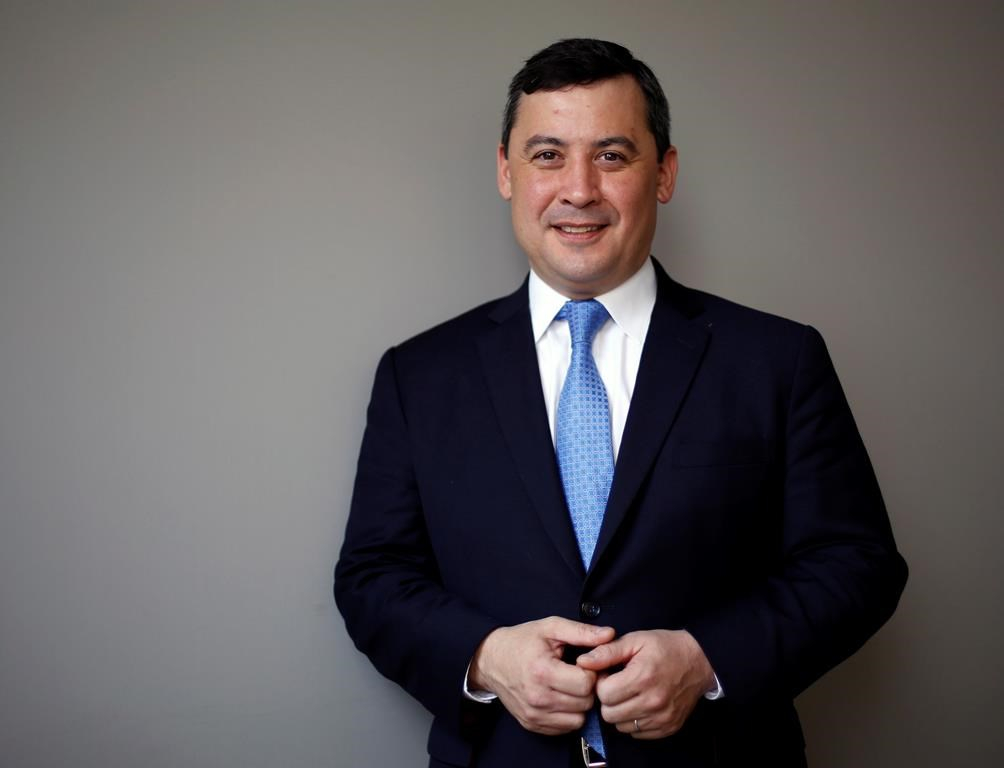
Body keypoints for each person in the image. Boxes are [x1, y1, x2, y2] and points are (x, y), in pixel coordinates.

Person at [334, 38, 907, 768]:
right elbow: (372, 576)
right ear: (505, 173)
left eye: (612, 155)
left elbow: (857, 564)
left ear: (663, 173)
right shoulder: (417, 376)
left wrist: (707, 660)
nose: (578, 189)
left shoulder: (776, 360)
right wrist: (486, 657)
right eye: (546, 156)